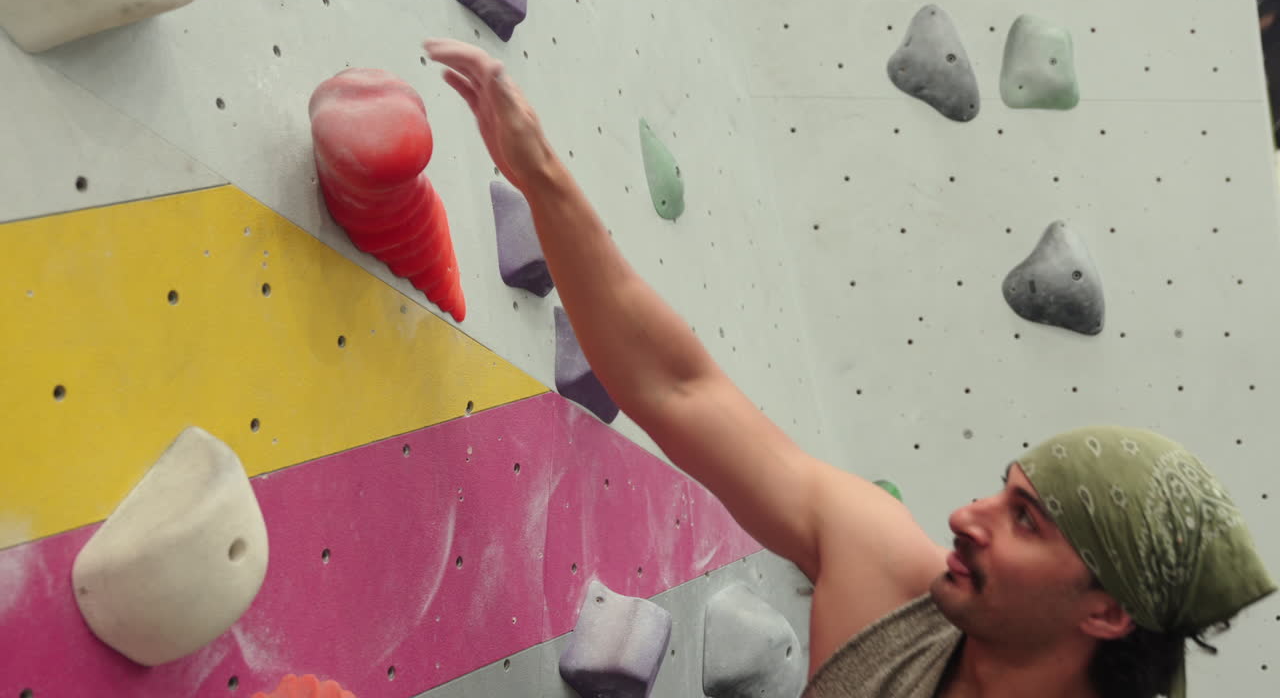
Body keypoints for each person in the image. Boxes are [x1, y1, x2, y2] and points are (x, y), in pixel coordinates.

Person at [421, 38, 1276, 698]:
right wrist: (540, 176)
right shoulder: (888, 589)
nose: (966, 516)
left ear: (1108, 611)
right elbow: (678, 386)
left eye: (1026, 520)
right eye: (1004, 490)